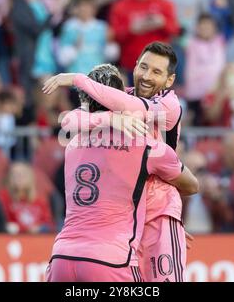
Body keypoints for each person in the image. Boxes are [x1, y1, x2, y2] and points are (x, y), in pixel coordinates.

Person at [42, 42, 194, 282]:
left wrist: (77, 79)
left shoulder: (169, 104)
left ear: (169, 80)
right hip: (127, 214)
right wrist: (110, 119)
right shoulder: (121, 98)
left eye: (156, 72)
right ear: (134, 66)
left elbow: (129, 108)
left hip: (156, 210)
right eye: (143, 67)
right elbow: (70, 120)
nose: (146, 76)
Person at [108, 0, 179, 82]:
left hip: (159, 65)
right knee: (131, 96)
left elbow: (175, 30)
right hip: (132, 65)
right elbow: (113, 35)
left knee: (158, 96)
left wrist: (162, 22)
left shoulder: (164, 3)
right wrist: (130, 29)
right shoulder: (121, 5)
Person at [0, 162, 55, 234]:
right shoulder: (4, 197)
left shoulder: (40, 200)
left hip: (37, 239)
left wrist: (39, 228)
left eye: (22, 175)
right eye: (15, 175)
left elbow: (49, 224)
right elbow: (5, 223)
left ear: (30, 178)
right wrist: (25, 229)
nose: (18, 178)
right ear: (9, 178)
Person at [202, 62, 234, 129]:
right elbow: (209, 117)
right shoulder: (210, 95)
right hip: (215, 137)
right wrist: (220, 97)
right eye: (229, 74)